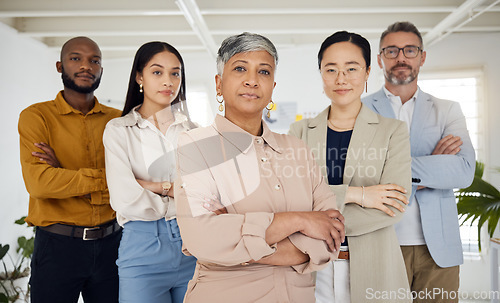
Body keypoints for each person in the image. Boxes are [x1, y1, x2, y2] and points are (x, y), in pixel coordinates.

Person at [174, 32, 345, 303]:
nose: (252, 80)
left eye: (263, 71)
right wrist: (301, 220)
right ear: (219, 84)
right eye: (240, 68)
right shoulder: (195, 146)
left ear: (272, 86)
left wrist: (237, 250)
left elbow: (330, 236)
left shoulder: (297, 150)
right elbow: (203, 238)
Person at [289, 31, 412, 303]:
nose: (341, 78)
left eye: (351, 68)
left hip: (375, 267)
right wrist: (361, 195)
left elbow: (394, 206)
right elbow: (291, 200)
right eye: (331, 69)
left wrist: (313, 219)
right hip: (311, 270)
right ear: (320, 73)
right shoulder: (299, 132)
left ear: (368, 72)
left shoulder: (392, 132)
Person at [362, 21, 476, 302]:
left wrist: (393, 172)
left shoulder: (448, 110)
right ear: (379, 59)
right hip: (380, 245)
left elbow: (463, 171)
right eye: (391, 51)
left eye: (409, 50)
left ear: (422, 57)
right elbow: (358, 175)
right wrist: (434, 165)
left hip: (438, 253)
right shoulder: (359, 110)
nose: (401, 57)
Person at [18, 37, 122, 302]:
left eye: (94, 60)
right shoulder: (36, 116)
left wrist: (63, 172)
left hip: (114, 245)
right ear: (59, 66)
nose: (86, 66)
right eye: (76, 58)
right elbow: (40, 184)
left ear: (101, 69)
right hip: (57, 247)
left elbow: (135, 180)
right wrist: (108, 179)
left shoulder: (119, 120)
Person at [103, 41, 197, 302]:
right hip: (142, 249)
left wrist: (153, 185)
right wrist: (177, 192)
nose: (168, 81)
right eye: (157, 72)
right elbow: (125, 198)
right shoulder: (119, 130)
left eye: (175, 73)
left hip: (194, 244)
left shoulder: (195, 132)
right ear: (139, 77)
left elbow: (205, 195)